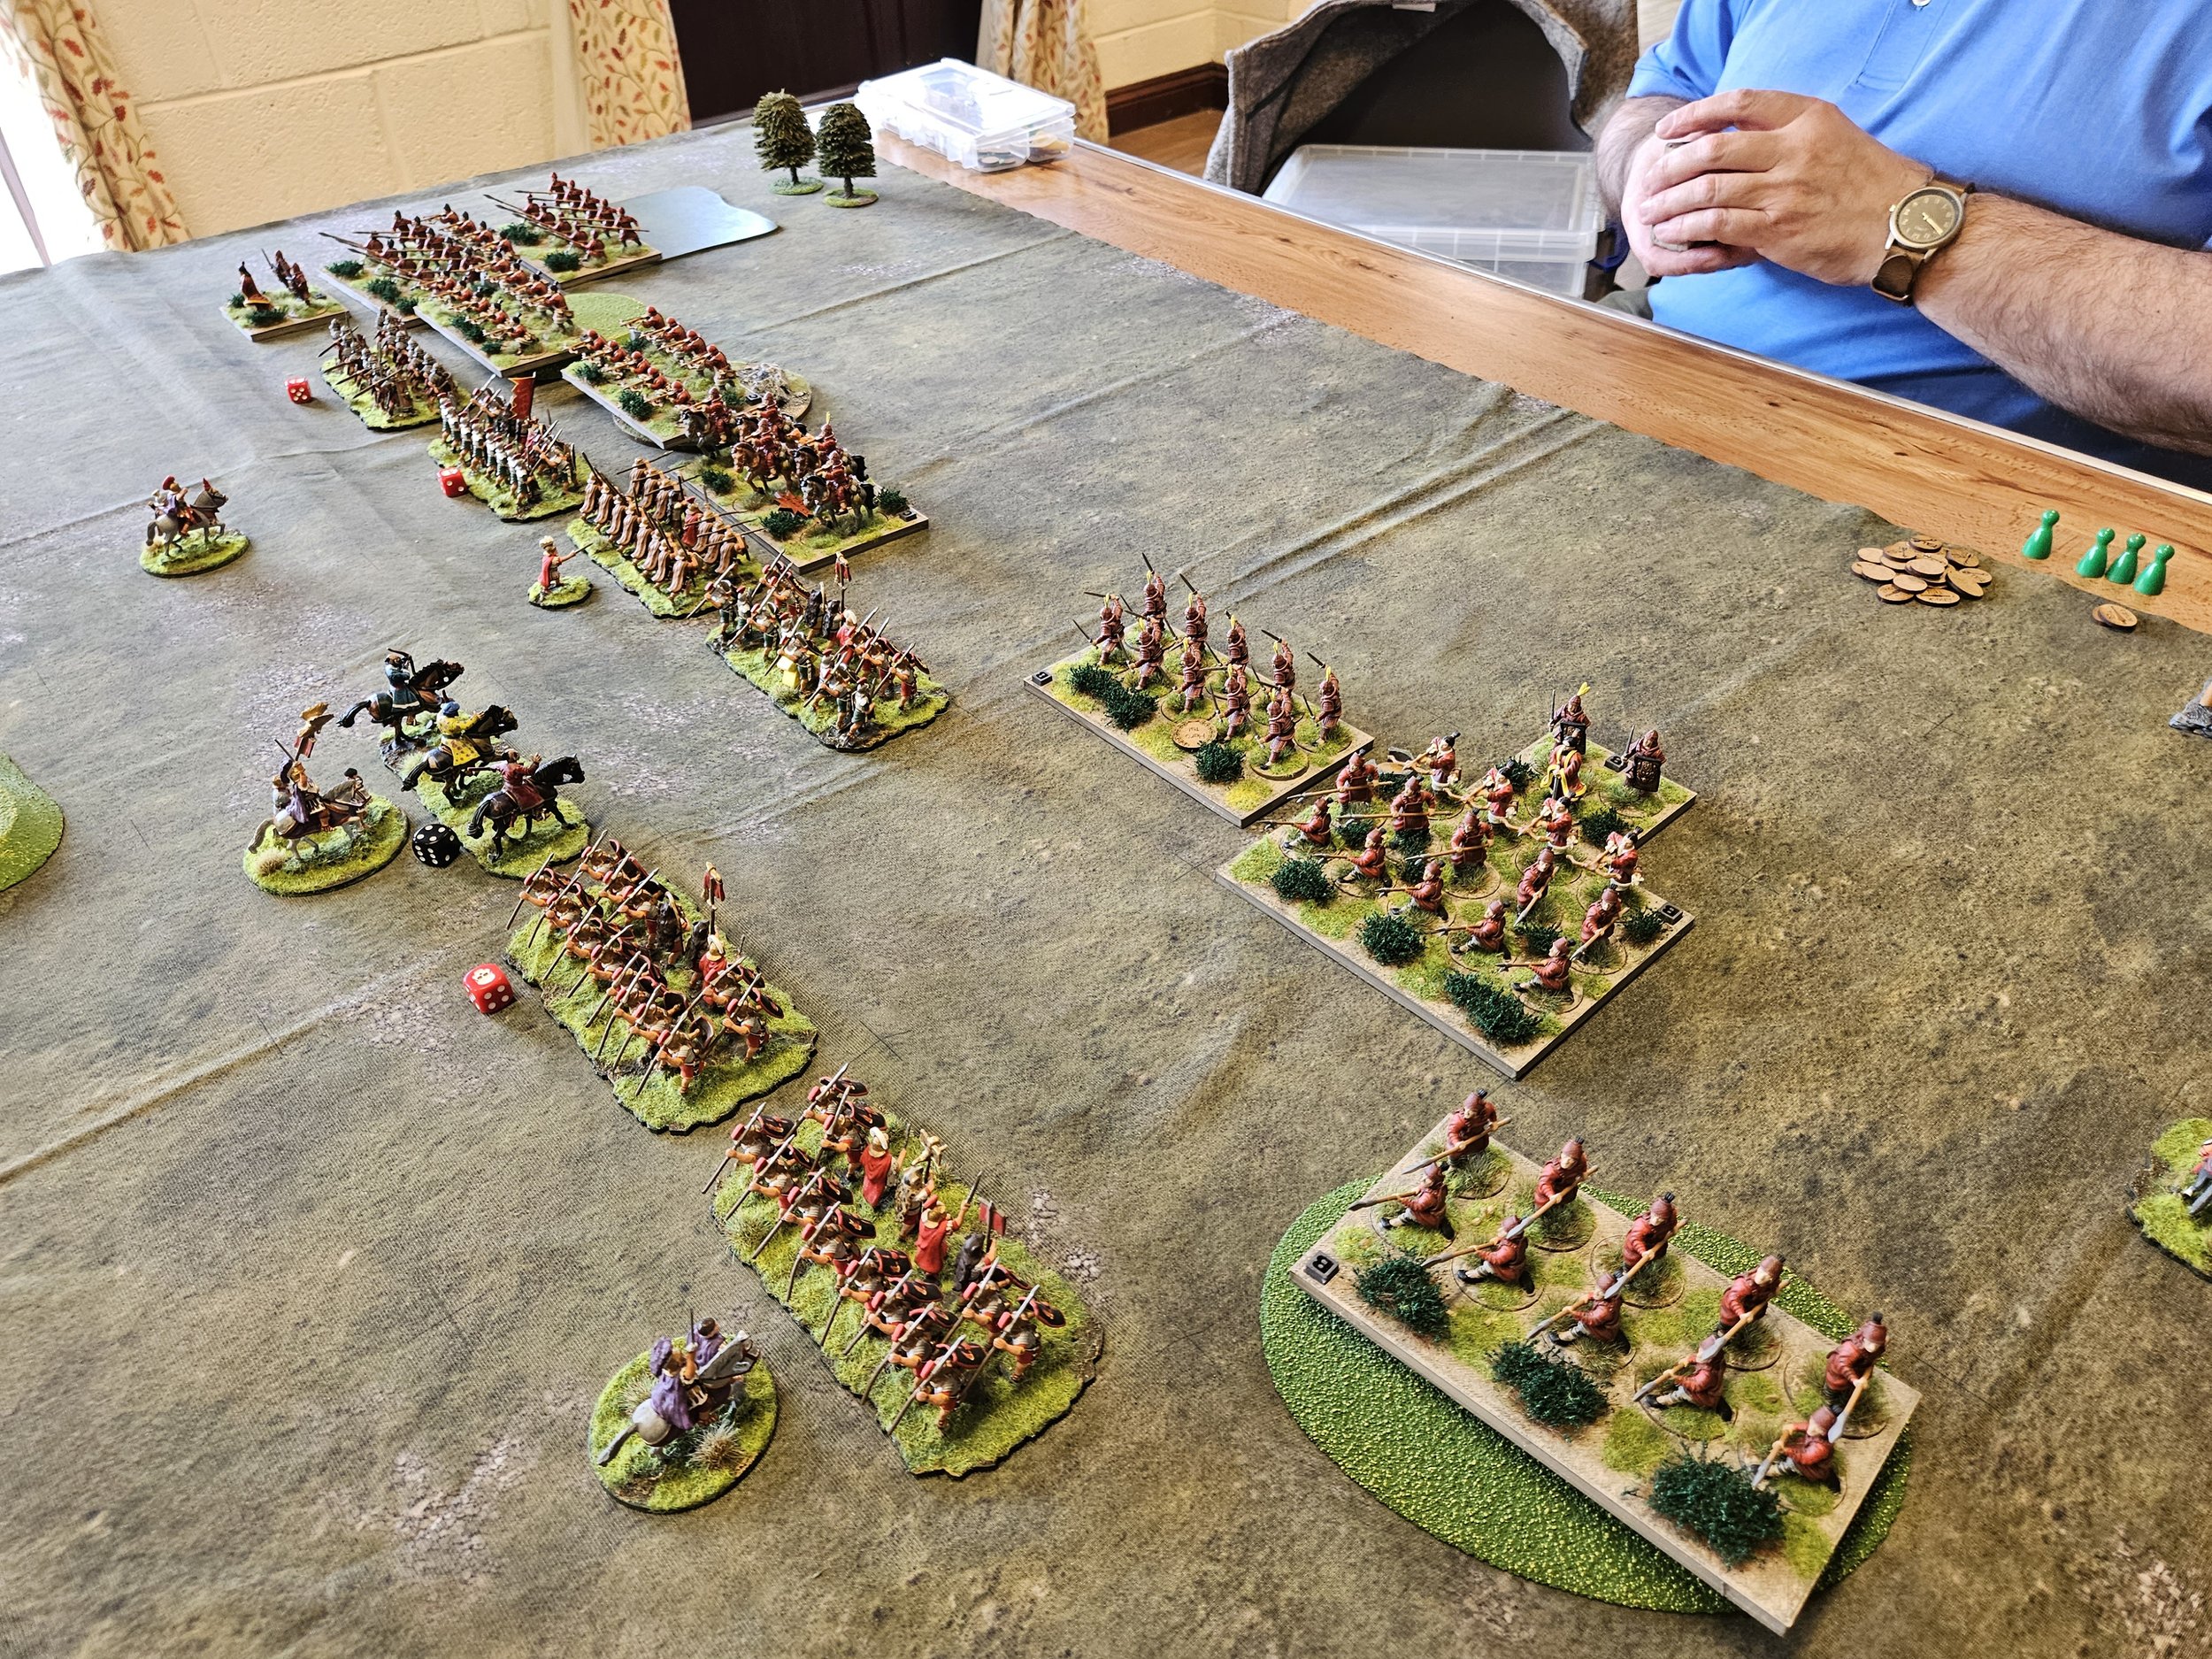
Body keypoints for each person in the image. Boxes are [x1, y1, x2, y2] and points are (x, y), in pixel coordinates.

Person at [1598, 2, 2212, 487]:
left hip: (1966, 484)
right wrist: (1645, 163)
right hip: (1655, 360)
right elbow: (1667, 90)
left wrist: (1902, 223)